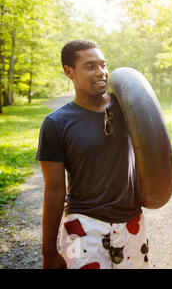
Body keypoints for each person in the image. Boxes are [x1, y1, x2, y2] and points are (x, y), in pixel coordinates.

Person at [36, 40, 149, 269]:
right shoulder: (55, 124)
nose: (101, 72)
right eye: (90, 66)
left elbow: (152, 149)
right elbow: (55, 189)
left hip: (131, 222)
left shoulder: (127, 109)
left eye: (103, 64)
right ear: (69, 72)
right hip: (83, 226)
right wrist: (48, 251)